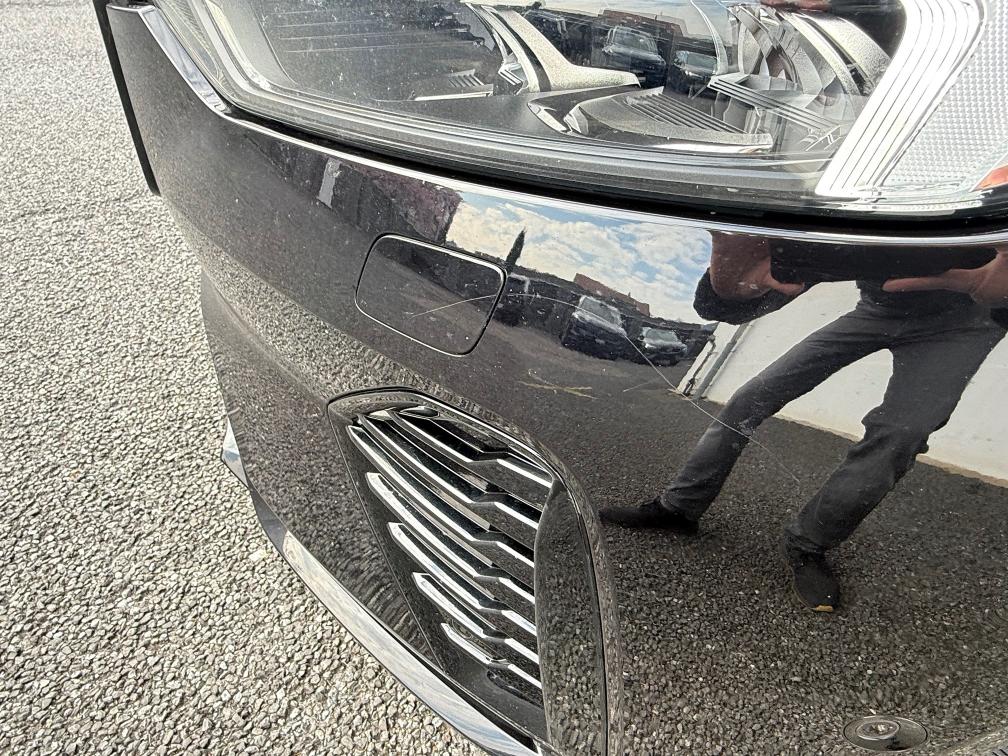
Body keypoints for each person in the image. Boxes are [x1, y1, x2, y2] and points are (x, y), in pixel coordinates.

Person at [604, 241, 1008, 612]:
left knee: (901, 434)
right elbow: (748, 296)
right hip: (877, 309)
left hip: (965, 324)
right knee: (750, 397)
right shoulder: (866, 211)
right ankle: (679, 508)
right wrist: (726, 277)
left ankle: (808, 544)